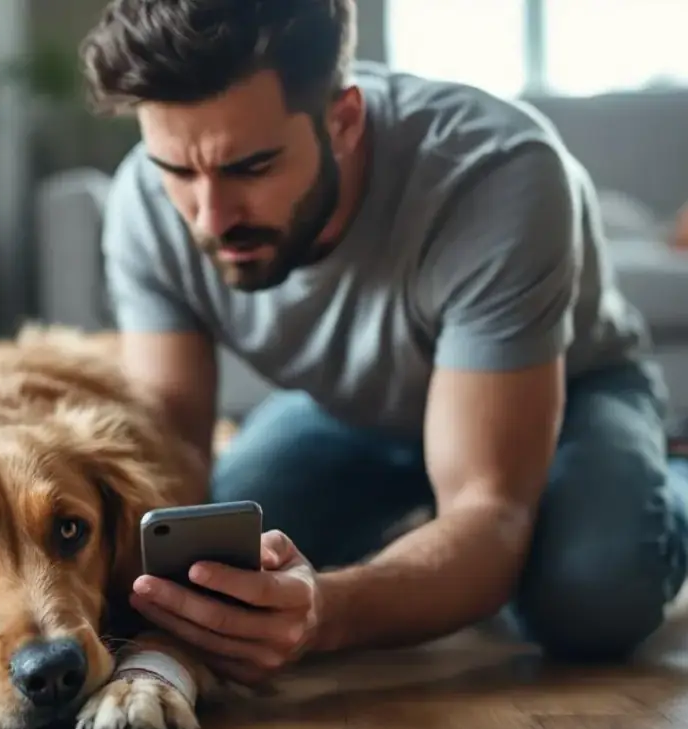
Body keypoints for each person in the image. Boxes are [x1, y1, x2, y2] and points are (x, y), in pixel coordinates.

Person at [78, 0, 688, 685]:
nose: (211, 217)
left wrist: (326, 611)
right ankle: (421, 541)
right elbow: (177, 454)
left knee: (590, 597)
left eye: (250, 167)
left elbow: (488, 510)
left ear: (343, 121)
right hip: (349, 410)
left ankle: (669, 474)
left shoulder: (499, 173)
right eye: (179, 172)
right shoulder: (143, 202)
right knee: (219, 560)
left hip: (569, 392)